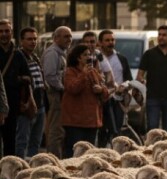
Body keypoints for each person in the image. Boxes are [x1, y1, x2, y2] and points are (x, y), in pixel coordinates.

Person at [60, 44, 109, 158]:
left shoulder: (93, 71)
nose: (89, 57)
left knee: (89, 154)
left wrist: (101, 90)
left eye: (89, 54)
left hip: (92, 121)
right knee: (74, 153)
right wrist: (83, 74)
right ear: (78, 58)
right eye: (85, 55)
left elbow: (105, 92)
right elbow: (73, 88)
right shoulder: (70, 72)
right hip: (75, 122)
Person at [136, 25, 167, 134]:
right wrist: (141, 81)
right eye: (159, 35)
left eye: (164, 35)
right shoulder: (149, 54)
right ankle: (152, 150)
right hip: (153, 98)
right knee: (152, 129)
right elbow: (140, 74)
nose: (161, 37)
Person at [96, 30, 132, 146]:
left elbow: (129, 80)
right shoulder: (96, 59)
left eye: (112, 40)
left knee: (117, 131)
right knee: (102, 132)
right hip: (101, 100)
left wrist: (124, 86)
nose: (110, 42)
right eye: (107, 40)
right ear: (100, 42)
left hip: (117, 100)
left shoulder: (122, 59)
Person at [0, 19, 30, 157]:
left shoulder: (18, 55)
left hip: (13, 106)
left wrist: (15, 81)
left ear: (11, 33)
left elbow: (28, 78)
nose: (4, 34)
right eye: (1, 31)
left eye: (7, 31)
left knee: (10, 142)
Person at [15, 27, 46, 159]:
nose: (33, 42)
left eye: (34, 39)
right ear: (22, 41)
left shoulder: (34, 56)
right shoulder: (18, 56)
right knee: (22, 141)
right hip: (26, 106)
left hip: (40, 105)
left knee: (36, 142)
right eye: (29, 39)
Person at [41, 26, 72, 157]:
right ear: (56, 38)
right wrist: (63, 89)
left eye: (70, 36)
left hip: (59, 95)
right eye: (66, 36)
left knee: (60, 130)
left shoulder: (60, 52)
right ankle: (53, 159)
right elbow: (50, 76)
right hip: (54, 95)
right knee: (55, 130)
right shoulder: (52, 53)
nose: (69, 39)